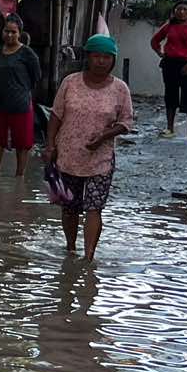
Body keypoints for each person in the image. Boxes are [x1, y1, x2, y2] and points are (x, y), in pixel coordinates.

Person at [47, 34, 136, 260]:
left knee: (94, 207)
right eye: (96, 56)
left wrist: (105, 136)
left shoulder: (120, 89)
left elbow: (126, 122)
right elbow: (56, 116)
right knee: (69, 208)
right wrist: (49, 146)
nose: (101, 61)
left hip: (100, 157)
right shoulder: (70, 82)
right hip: (68, 155)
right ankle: (70, 248)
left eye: (106, 57)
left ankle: (88, 257)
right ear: (87, 57)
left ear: (113, 60)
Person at [0, 17, 42, 178]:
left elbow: (36, 76)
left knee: (22, 143)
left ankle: (20, 176)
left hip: (20, 103)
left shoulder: (27, 54)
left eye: (13, 32)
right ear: (2, 32)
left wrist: (22, 89)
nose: (9, 35)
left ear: (20, 33)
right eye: (6, 31)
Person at [150, 0, 187, 138]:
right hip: (170, 64)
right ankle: (169, 128)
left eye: (185, 9)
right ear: (174, 11)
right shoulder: (169, 26)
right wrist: (160, 53)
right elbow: (155, 40)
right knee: (170, 95)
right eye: (179, 9)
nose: (182, 12)